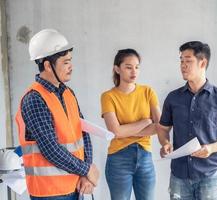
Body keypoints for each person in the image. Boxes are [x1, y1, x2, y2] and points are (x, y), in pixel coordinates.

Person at [15, 29, 100, 200]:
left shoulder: (68, 93)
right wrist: (87, 169)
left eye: (70, 61)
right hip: (50, 193)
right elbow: (50, 149)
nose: (71, 67)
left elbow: (83, 133)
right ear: (47, 65)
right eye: (66, 62)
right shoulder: (34, 99)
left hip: (76, 185)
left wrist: (86, 172)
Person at [157, 41, 217, 200]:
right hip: (179, 176)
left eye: (188, 61)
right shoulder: (173, 98)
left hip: (209, 175)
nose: (183, 65)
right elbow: (162, 128)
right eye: (181, 61)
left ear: (203, 63)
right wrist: (165, 143)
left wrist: (211, 148)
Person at [101, 49, 161, 200]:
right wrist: (145, 122)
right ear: (117, 69)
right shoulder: (108, 96)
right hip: (118, 159)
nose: (134, 71)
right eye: (128, 67)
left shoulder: (148, 92)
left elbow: (160, 126)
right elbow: (115, 131)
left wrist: (126, 131)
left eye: (137, 67)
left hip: (145, 157)